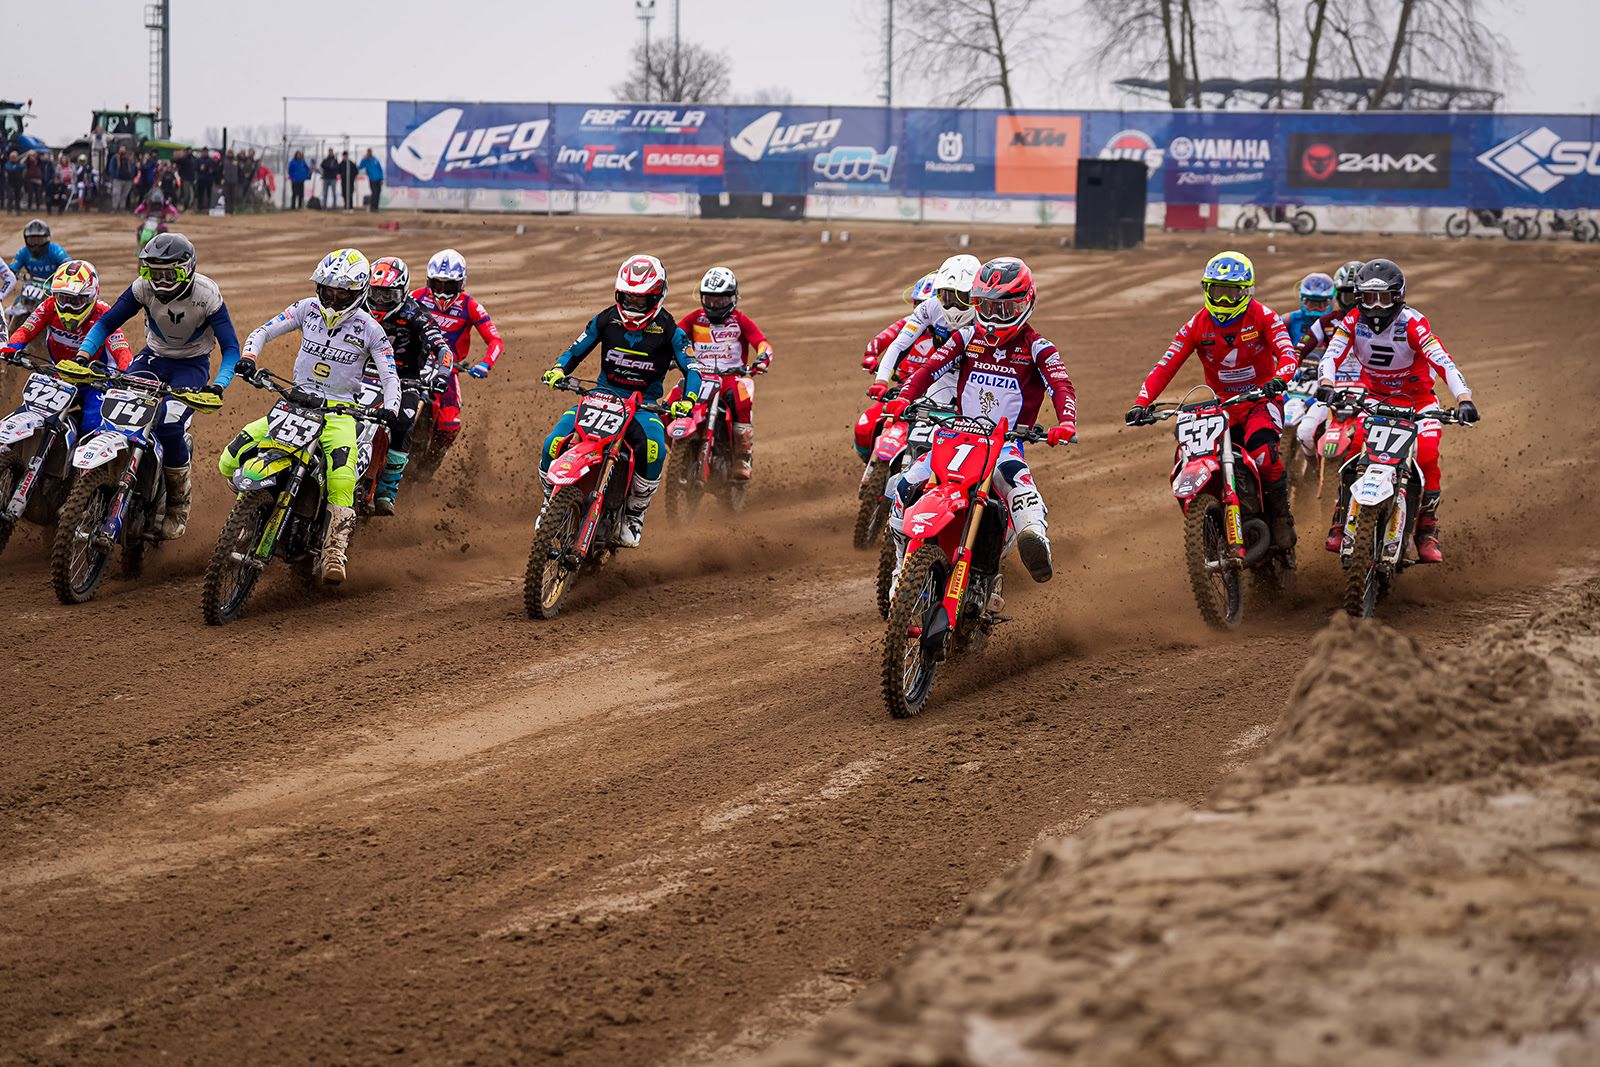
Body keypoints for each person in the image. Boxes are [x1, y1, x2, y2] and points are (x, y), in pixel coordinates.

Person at [884, 256, 1076, 589]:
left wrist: (1067, 422)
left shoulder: (1039, 348)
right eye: (987, 307)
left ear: (1026, 304)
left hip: (1004, 444)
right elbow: (929, 369)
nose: (995, 317)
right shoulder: (965, 337)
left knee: (1018, 484)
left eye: (1005, 308)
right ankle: (900, 569)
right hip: (955, 437)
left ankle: (1034, 537)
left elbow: (1061, 386)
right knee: (903, 487)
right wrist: (905, 397)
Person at [220, 249, 400, 583]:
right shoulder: (306, 308)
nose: (332, 298)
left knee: (342, 479)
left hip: (339, 414)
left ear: (358, 292)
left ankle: (334, 551)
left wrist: (390, 407)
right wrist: (248, 358)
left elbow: (390, 375)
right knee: (228, 459)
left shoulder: (370, 329)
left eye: (341, 293)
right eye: (327, 289)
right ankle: (252, 515)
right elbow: (262, 331)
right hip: (294, 404)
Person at [1125, 251, 1298, 549]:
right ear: (1207, 289)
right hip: (1221, 406)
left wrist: (1279, 379)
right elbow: (1166, 365)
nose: (1224, 300)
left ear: (1246, 292)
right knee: (1188, 456)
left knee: (1264, 455)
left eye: (1232, 293)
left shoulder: (1264, 317)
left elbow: (1287, 354)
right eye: (1218, 291)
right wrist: (1141, 402)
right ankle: (1206, 521)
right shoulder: (1197, 324)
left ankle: (1281, 518)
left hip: (1260, 400)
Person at [75, 233, 242, 540]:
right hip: (151, 359)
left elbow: (231, 348)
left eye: (169, 274)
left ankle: (178, 504)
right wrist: (83, 355)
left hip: (191, 366)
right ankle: (95, 486)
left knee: (168, 424)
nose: (160, 281)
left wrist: (218, 386)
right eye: (154, 272)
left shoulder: (207, 294)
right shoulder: (142, 287)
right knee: (114, 413)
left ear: (187, 269)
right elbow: (107, 322)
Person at [1315, 258, 1478, 563]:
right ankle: (1341, 518)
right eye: (1369, 298)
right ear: (1359, 298)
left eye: (1383, 298)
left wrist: (1464, 399)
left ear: (1398, 296)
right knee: (1355, 452)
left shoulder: (1413, 323)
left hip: (1419, 403)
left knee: (1427, 457)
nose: (1376, 307)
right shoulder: (1352, 321)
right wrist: (1326, 383)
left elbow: (1443, 362)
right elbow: (1331, 355)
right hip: (1375, 400)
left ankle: (1427, 529)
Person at [538, 254, 701, 547]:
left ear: (657, 297)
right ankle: (550, 502)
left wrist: (688, 400)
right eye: (628, 298)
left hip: (643, 406)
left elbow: (692, 369)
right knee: (554, 441)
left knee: (654, 449)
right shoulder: (606, 320)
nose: (633, 305)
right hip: (601, 397)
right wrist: (558, 369)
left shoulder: (670, 331)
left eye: (641, 300)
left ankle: (634, 514)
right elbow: (576, 350)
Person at [365, 256, 452, 514]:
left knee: (403, 422)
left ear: (403, 292)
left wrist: (442, 374)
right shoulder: (359, 308)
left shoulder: (416, 314)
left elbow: (443, 349)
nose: (380, 301)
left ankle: (387, 490)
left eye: (388, 295)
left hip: (406, 379)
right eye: (376, 293)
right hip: (361, 373)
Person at [667, 266, 772, 478]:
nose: (714, 305)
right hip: (698, 376)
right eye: (709, 299)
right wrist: (665, 355)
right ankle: (682, 448)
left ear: (732, 298)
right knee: (669, 402)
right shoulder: (695, 318)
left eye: (720, 300)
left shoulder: (740, 320)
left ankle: (742, 456)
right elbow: (673, 338)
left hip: (730, 376)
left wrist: (762, 358)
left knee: (740, 399)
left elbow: (762, 343)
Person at [4, 260, 134, 433]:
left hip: (98, 380)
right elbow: (27, 329)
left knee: (92, 426)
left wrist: (127, 375)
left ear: (90, 296)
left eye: (75, 300)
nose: (67, 306)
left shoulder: (104, 313)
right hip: (62, 374)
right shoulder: (49, 305)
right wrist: (11, 347)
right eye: (62, 298)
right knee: (32, 410)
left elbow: (121, 348)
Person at [854, 272, 957, 462]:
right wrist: (871, 357)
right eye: (917, 303)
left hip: (940, 394)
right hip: (902, 388)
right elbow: (885, 339)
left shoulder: (954, 334)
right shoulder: (911, 323)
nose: (920, 308)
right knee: (865, 425)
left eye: (924, 303)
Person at [409, 249, 504, 456]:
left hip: (447, 370)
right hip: (414, 363)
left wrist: (485, 364)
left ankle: (429, 463)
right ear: (428, 281)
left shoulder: (470, 306)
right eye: (437, 284)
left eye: (449, 286)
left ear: (461, 284)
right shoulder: (416, 297)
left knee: (450, 426)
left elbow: (495, 341)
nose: (442, 292)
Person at [868, 253, 979, 398]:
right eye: (946, 296)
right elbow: (899, 345)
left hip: (977, 378)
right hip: (944, 377)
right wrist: (881, 381)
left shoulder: (985, 312)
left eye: (960, 298)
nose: (952, 305)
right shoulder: (929, 307)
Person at [1292, 260, 1365, 455]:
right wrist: (1290, 365)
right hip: (1332, 386)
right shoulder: (1327, 321)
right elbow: (1301, 348)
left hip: (1369, 389)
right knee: (1305, 431)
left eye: (1357, 297)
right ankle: (1312, 468)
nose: (1353, 303)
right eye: (1348, 297)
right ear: (1338, 296)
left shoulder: (1379, 324)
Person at [1286, 272, 1334, 348]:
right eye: (1311, 303)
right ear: (1303, 300)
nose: (1316, 308)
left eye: (1321, 304)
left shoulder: (1338, 322)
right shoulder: (1288, 320)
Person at [106, 146, 137, 211]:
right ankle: (114, 208)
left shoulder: (129, 158)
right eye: (121, 149)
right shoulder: (115, 157)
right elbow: (111, 167)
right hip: (118, 179)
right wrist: (115, 175)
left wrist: (132, 176)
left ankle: (122, 208)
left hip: (128, 180)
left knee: (124, 195)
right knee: (116, 193)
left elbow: (133, 167)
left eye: (124, 149)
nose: (122, 151)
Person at [194, 148, 218, 213]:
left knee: (209, 194)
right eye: (204, 152)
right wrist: (200, 169)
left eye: (206, 152)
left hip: (209, 179)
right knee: (200, 194)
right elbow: (195, 168)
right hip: (201, 179)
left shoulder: (210, 160)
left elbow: (214, 168)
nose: (205, 153)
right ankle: (200, 207)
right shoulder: (199, 160)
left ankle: (209, 206)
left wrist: (211, 170)